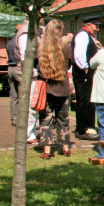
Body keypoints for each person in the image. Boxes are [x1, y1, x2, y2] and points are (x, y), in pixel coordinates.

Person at [36, 20, 73, 159]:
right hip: (63, 87)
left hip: (47, 88)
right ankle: (65, 148)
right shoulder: (65, 48)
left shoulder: (41, 48)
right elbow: (69, 65)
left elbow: (37, 67)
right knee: (63, 119)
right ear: (60, 31)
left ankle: (46, 150)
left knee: (46, 120)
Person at [71, 17, 102, 140]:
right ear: (88, 25)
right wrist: (85, 68)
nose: (98, 28)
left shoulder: (88, 36)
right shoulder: (83, 36)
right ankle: (83, 128)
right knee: (85, 100)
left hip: (86, 72)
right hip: (83, 73)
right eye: (96, 25)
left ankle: (87, 126)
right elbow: (79, 54)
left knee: (87, 100)